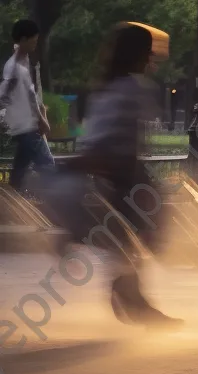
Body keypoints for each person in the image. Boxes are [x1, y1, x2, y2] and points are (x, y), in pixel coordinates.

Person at [57, 22, 182, 328]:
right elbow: (113, 137)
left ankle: (130, 296)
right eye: (148, 53)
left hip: (117, 172)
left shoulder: (108, 88)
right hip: (125, 172)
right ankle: (131, 298)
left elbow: (99, 134)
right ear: (138, 55)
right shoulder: (130, 89)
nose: (151, 60)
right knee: (137, 237)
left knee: (129, 241)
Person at [0, 19, 55, 192]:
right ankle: (58, 206)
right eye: (33, 41)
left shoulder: (21, 64)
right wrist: (41, 120)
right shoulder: (13, 68)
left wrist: (42, 115)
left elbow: (30, 96)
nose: (34, 44)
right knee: (48, 166)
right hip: (27, 126)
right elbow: (4, 95)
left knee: (19, 172)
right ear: (23, 40)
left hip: (25, 126)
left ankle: (11, 206)